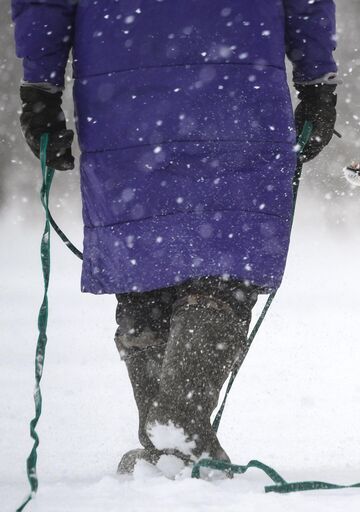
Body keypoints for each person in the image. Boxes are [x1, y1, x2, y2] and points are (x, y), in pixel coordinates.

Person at [13, 1, 339, 474]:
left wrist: (39, 88)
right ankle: (179, 426)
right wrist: (316, 81)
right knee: (226, 260)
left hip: (123, 87)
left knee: (145, 256)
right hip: (237, 80)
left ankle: (167, 440)